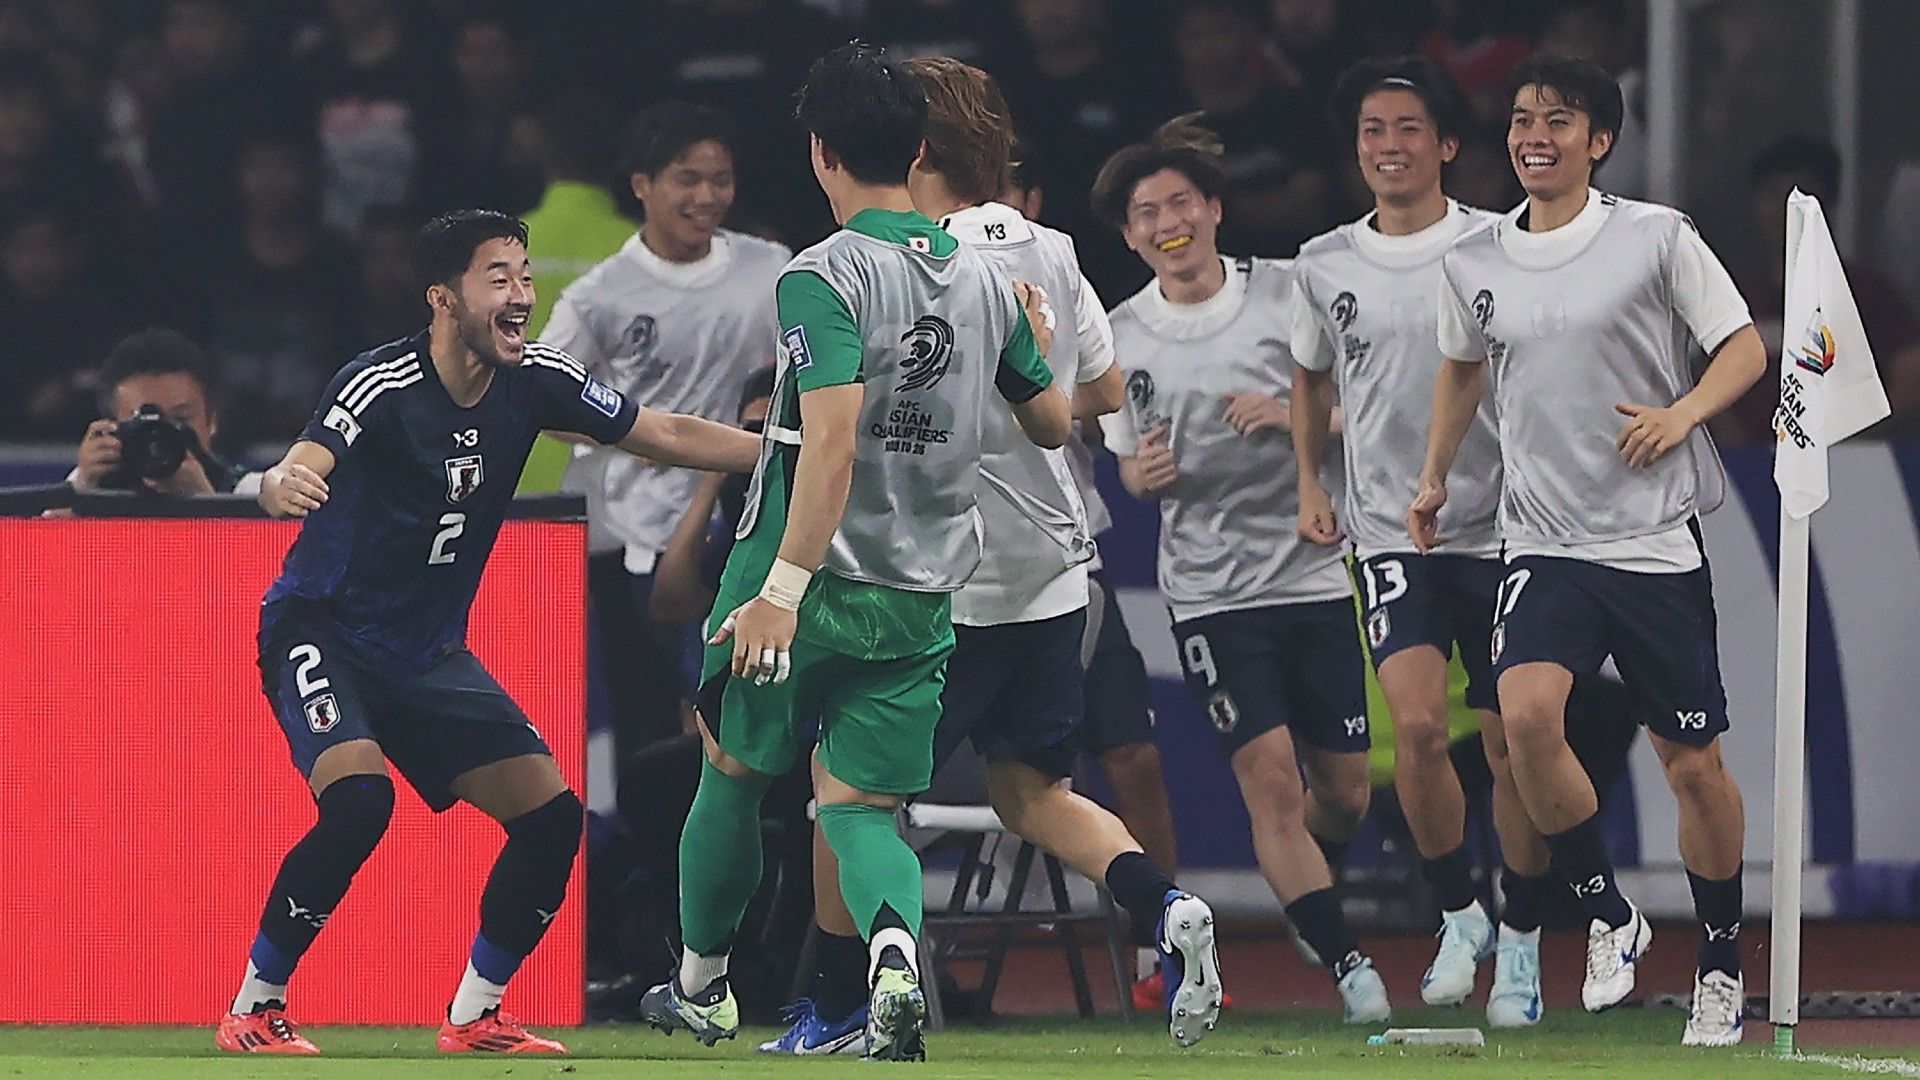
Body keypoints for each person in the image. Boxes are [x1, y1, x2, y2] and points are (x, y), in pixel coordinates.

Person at [215, 209, 761, 1056]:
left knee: (551, 819)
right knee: (361, 801)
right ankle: (255, 1005)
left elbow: (665, 433)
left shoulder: (539, 379)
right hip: (324, 631)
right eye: (498, 278)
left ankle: (476, 1014)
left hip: (426, 653)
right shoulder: (381, 383)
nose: (521, 296)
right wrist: (278, 484)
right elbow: (309, 457)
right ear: (444, 297)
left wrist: (782, 451)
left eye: (525, 276)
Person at [757, 57, 1219, 1058]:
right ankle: (1165, 906)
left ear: (913, 153)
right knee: (1034, 795)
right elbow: (1089, 396)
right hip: (1058, 575)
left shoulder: (905, 265)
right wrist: (1021, 376)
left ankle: (843, 1005)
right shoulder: (1048, 249)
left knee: (849, 795)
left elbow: (854, 420)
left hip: (940, 582)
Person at [638, 42, 1072, 1063]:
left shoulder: (818, 276)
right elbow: (1052, 423)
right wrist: (1034, 333)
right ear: (919, 149)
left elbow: (829, 439)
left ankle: (701, 985)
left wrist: (782, 590)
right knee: (863, 810)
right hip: (920, 593)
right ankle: (890, 955)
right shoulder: (985, 279)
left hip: (801, 582)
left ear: (822, 153)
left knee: (735, 771)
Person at [1413, 55, 1764, 1047]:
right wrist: (1436, 475)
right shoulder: (1474, 260)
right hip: (1541, 538)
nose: (1535, 135)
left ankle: (1723, 960)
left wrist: (1683, 413)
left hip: (1652, 540)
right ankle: (1610, 913)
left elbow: (1743, 346)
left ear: (1598, 141)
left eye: (1558, 121)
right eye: (1522, 120)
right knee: (1523, 720)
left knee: (1691, 764)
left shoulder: (1656, 237)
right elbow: (1459, 370)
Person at [1094, 115, 1390, 1025]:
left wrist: (1297, 418)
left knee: (1341, 790)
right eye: (1148, 213)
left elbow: (1376, 404)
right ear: (1131, 236)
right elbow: (1124, 460)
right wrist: (1138, 477)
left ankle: (1317, 888)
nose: (1168, 222)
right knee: (1269, 783)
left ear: (1216, 211)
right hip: (1211, 593)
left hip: (1311, 570)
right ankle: (1348, 966)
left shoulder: (1291, 294)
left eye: (1182, 202)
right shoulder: (1118, 337)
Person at [1289, 55, 1551, 1027]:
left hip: (1509, 526)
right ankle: (1460, 912)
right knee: (1420, 733)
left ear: (1445, 145)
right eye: (1372, 132)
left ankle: (1522, 944)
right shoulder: (1323, 262)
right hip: (1391, 531)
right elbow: (1310, 379)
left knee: (1510, 743)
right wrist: (1313, 480)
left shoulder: (1500, 243)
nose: (1389, 147)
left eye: (1407, 130)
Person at [540, 101, 790, 760]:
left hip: (756, 525)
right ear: (642, 185)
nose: (707, 197)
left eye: (721, 179)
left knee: (743, 722)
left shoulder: (771, 270)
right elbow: (546, 397)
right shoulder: (602, 293)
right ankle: (669, 859)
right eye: (688, 179)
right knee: (666, 723)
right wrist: (625, 433)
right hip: (646, 537)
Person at [70, 328, 257, 497]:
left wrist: (204, 503)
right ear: (112, 429)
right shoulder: (83, 488)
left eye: (180, 419)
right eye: (143, 421)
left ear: (212, 421)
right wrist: (82, 494)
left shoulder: (250, 494)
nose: (160, 437)